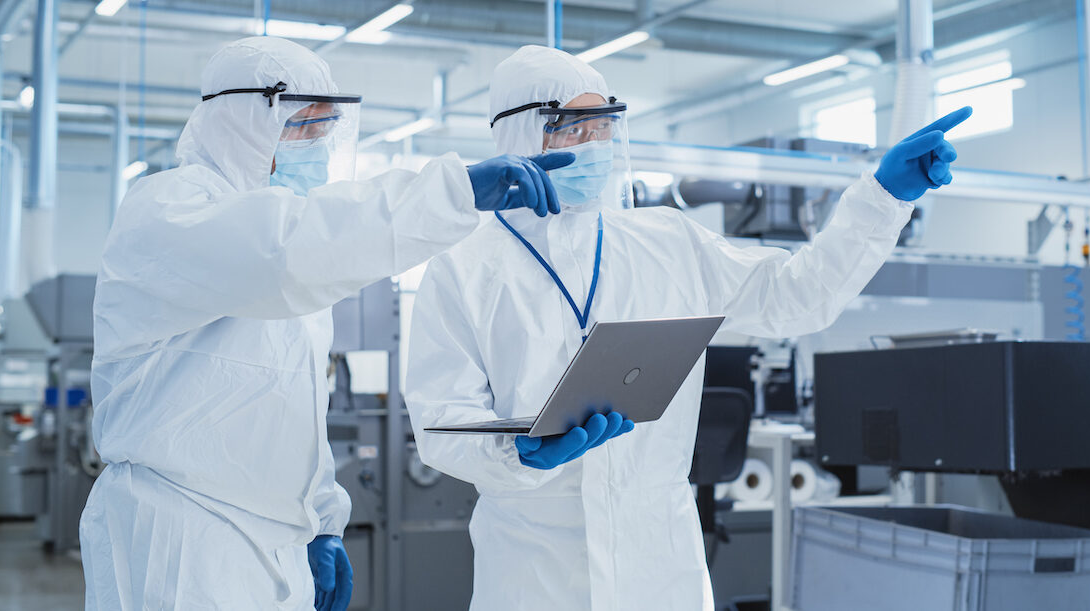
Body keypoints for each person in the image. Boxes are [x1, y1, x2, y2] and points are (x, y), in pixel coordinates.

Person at [403, 44, 971, 610]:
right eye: (574, 129)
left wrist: (882, 200)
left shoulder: (667, 243)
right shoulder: (463, 268)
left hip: (659, 563)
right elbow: (442, 421)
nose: (595, 146)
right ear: (522, 137)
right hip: (535, 571)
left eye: (604, 127)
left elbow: (796, 297)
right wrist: (516, 455)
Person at [78, 36, 572, 611]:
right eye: (300, 127)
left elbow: (287, 403)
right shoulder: (171, 208)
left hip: (275, 539)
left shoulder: (287, 238)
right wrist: (453, 190)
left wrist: (321, 517)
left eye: (324, 128)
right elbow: (282, 255)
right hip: (179, 537)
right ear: (239, 121)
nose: (317, 146)